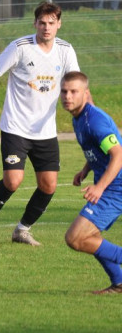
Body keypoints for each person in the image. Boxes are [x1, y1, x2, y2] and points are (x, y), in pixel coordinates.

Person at [0, 1, 80, 247]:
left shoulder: (66, 50)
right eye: (42, 23)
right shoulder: (20, 48)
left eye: (51, 23)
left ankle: (22, 230)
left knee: (48, 186)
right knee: (13, 181)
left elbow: (75, 83)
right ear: (35, 23)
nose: (46, 28)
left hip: (46, 131)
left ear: (59, 24)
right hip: (15, 127)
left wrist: (83, 110)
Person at [61, 72, 122, 294]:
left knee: (75, 238)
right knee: (90, 237)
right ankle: (119, 283)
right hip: (110, 184)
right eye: (64, 91)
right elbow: (97, 149)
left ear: (86, 94)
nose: (68, 96)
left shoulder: (94, 121)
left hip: (116, 187)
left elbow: (118, 154)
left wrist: (100, 187)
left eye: (74, 92)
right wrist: (85, 169)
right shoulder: (79, 117)